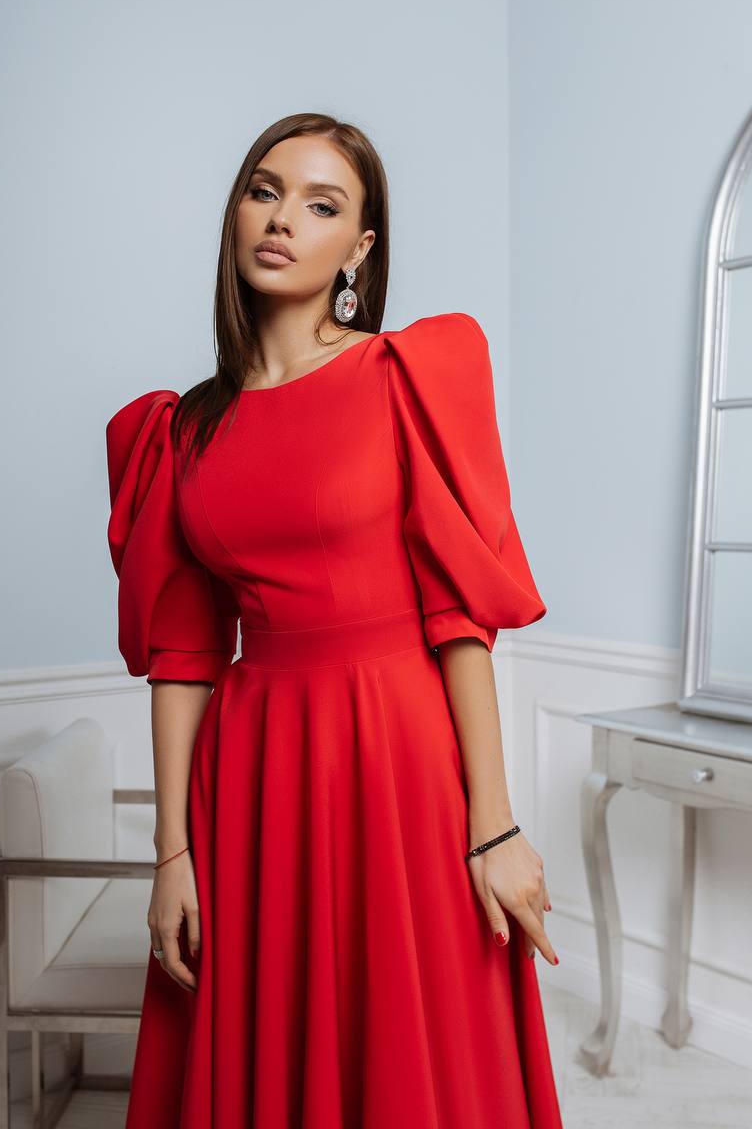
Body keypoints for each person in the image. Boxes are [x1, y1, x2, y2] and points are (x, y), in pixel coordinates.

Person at [106, 111, 564, 1128]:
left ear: (358, 248)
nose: (283, 220)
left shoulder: (406, 378)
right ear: (234, 211)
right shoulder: (177, 430)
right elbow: (183, 655)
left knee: (415, 1046)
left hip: (398, 757)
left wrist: (493, 822)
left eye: (323, 205)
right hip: (255, 766)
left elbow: (457, 617)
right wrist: (170, 853)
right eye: (264, 190)